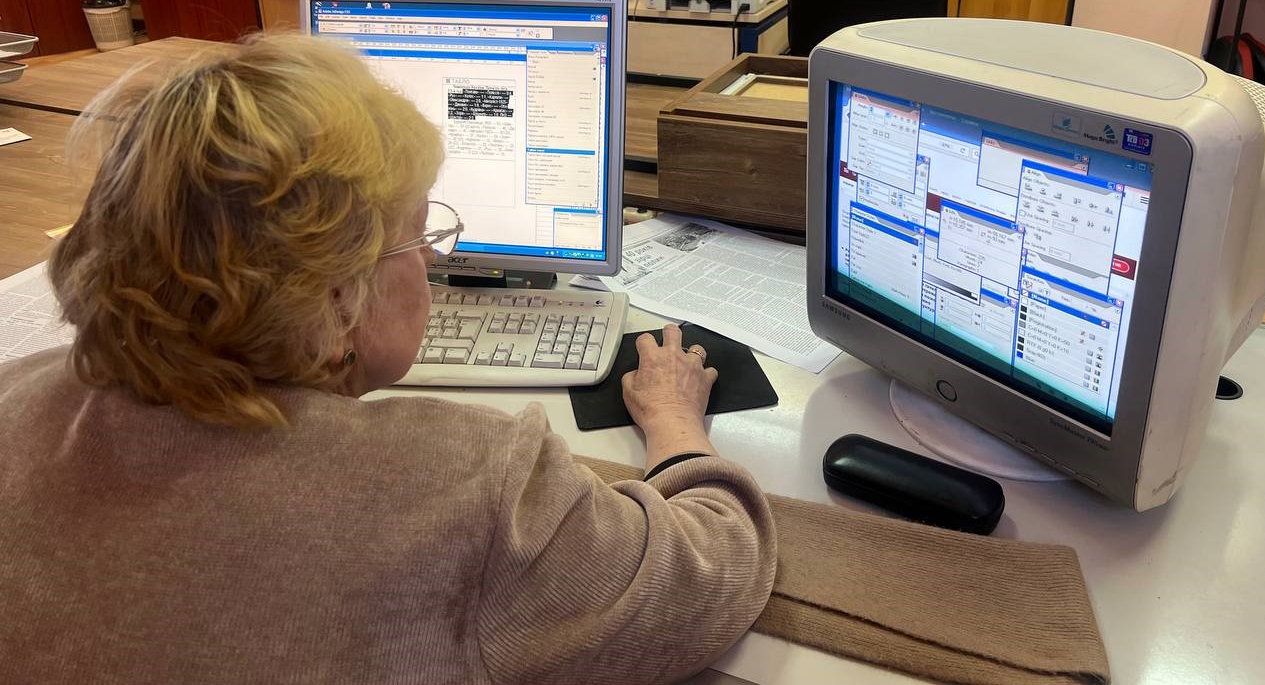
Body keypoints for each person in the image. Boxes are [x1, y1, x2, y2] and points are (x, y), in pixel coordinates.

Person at [0, 36, 776, 684]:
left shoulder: (14, 402)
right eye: (415, 234)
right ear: (334, 296)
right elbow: (713, 575)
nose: (432, 260)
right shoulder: (472, 485)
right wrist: (675, 422)